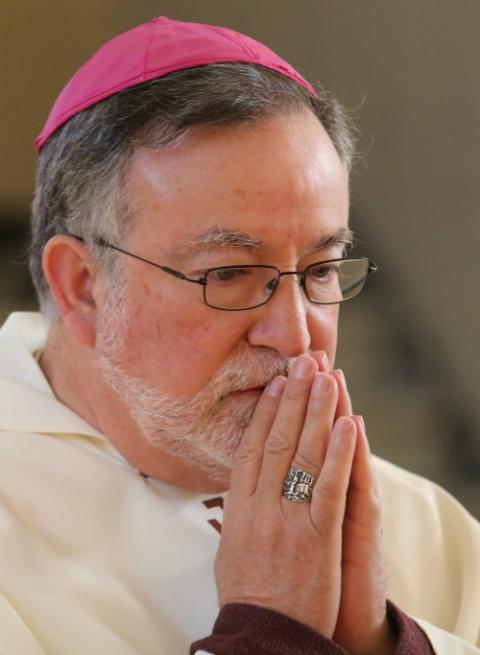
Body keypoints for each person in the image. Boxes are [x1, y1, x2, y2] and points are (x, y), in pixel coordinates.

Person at [0, 15, 478, 655]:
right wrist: (273, 631)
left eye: (322, 269)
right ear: (84, 285)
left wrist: (381, 644)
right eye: (228, 273)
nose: (296, 335)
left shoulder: (424, 524)